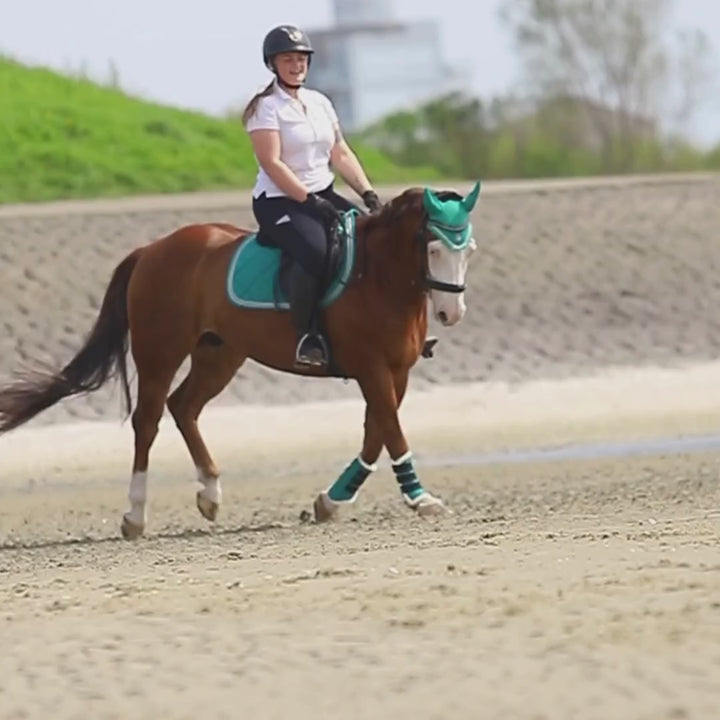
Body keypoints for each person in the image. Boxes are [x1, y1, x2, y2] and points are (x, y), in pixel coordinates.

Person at [242, 24, 382, 370]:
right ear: (273, 64)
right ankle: (308, 335)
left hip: (323, 193)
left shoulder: (320, 102)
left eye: (302, 58)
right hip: (279, 201)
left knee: (376, 240)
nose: (297, 65)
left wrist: (368, 194)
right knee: (317, 252)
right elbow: (271, 163)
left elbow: (341, 153)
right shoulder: (266, 108)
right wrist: (308, 200)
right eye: (288, 59)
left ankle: (381, 324)